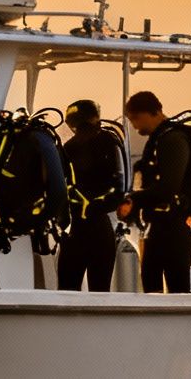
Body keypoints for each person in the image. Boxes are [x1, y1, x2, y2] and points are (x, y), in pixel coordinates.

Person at [115, 90, 191, 293]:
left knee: (178, 287)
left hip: (175, 225)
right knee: (150, 281)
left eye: (135, 118)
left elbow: (169, 187)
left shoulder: (173, 139)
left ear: (152, 112)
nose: (134, 125)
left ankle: (181, 323)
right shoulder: (160, 139)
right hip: (158, 226)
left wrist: (135, 198)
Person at [57, 99, 128, 291]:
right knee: (100, 292)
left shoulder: (67, 148)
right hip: (100, 228)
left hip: (75, 229)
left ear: (72, 124)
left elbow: (59, 188)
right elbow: (119, 188)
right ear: (95, 118)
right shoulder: (110, 141)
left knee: (67, 292)